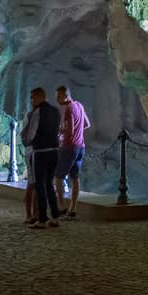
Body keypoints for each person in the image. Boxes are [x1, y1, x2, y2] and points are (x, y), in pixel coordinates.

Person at [27, 87, 62, 228]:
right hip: (54, 151)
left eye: (32, 98)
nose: (31, 101)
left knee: (40, 185)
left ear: (38, 97)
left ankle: (42, 219)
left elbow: (31, 134)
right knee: (49, 184)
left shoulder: (38, 112)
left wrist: (29, 141)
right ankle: (55, 216)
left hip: (40, 151)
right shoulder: (55, 111)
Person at [55, 85, 90, 219]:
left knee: (58, 177)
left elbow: (69, 131)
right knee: (75, 178)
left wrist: (59, 132)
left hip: (69, 147)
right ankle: (73, 208)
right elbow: (87, 124)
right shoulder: (79, 106)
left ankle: (61, 207)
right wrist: (78, 133)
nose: (57, 99)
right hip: (81, 146)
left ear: (66, 96)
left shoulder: (69, 109)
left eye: (59, 96)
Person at [20, 102, 38, 225]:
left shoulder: (32, 115)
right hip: (32, 151)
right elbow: (26, 135)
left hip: (34, 151)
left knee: (34, 183)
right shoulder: (32, 115)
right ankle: (30, 214)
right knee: (32, 183)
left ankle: (34, 213)